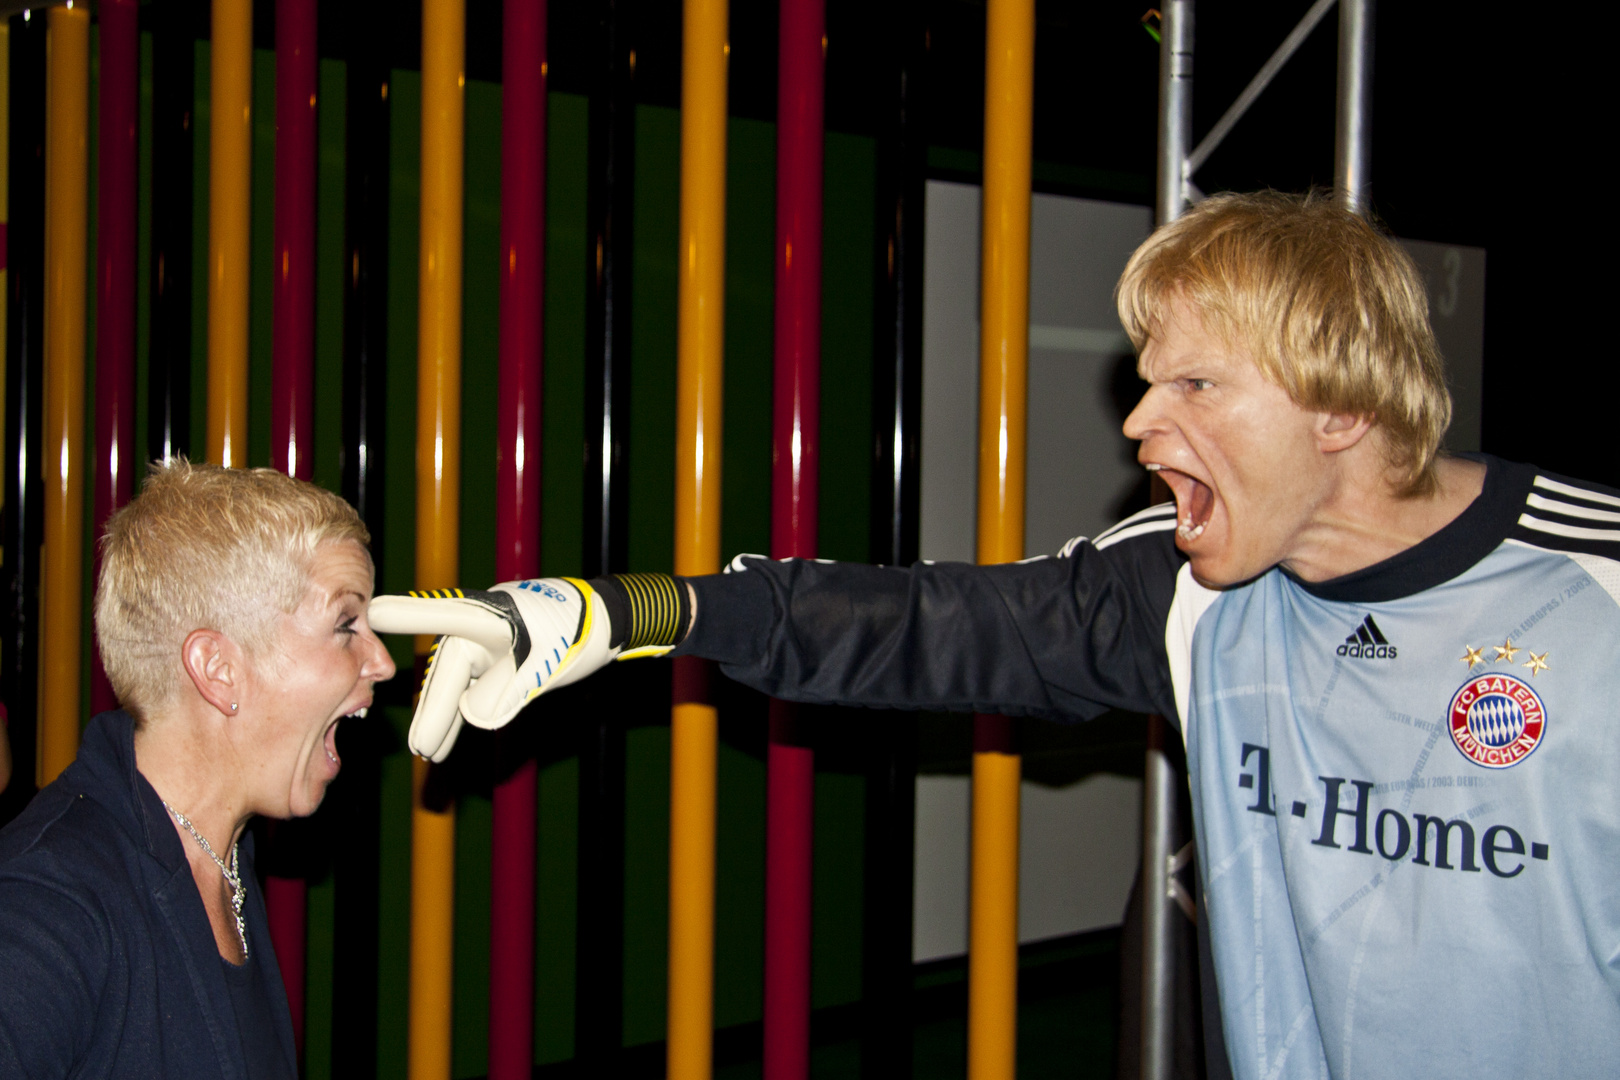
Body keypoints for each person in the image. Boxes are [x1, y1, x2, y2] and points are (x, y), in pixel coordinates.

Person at [371, 192, 1620, 1080]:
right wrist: (624, 613)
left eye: (1193, 385)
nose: (1138, 423)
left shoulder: (1597, 595)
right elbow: (919, 626)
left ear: (1341, 404)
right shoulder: (1185, 594)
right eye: (1146, 379)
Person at [0, 461, 395, 1077]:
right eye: (346, 624)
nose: (383, 662)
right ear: (218, 669)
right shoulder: (46, 902)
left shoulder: (220, 855)